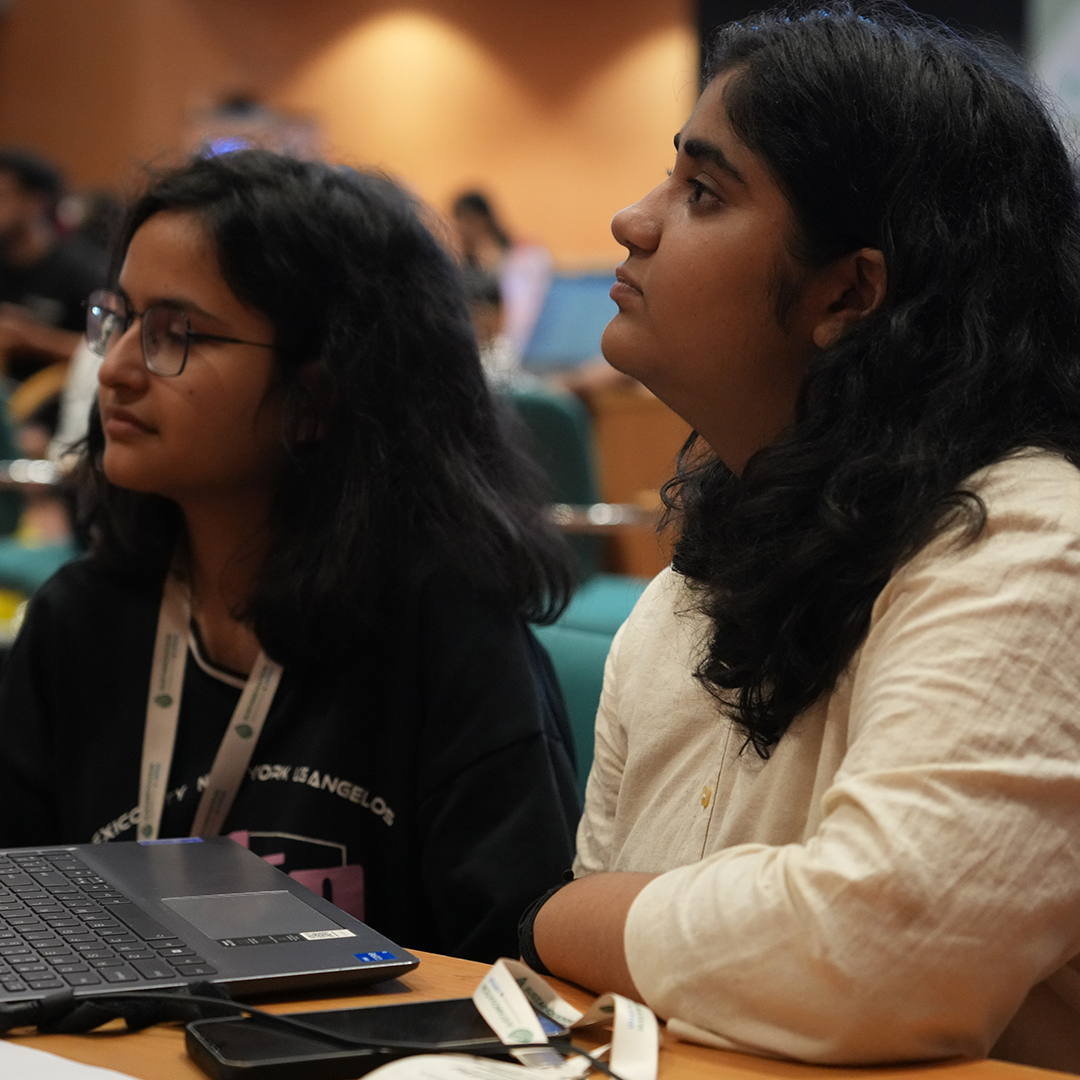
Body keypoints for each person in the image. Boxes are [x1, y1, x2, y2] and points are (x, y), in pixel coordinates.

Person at [526, 3, 1080, 1071]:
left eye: (703, 192)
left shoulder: (1036, 545)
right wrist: (588, 925)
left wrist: (555, 917)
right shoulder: (691, 588)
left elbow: (880, 954)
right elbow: (608, 997)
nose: (632, 221)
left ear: (850, 293)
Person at [0, 149, 581, 963]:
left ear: (317, 396)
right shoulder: (78, 623)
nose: (118, 368)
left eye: (176, 334)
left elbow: (520, 978)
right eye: (119, 319)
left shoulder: (449, 634)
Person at [0, 149, 106, 381]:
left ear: (36, 203)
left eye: (2, 197)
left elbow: (105, 349)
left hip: (49, 395)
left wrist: (33, 340)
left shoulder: (82, 271)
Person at [451, 190, 553, 357]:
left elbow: (516, 314)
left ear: (481, 221)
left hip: (505, 344)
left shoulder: (515, 259)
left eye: (465, 221)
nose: (460, 229)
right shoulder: (464, 264)